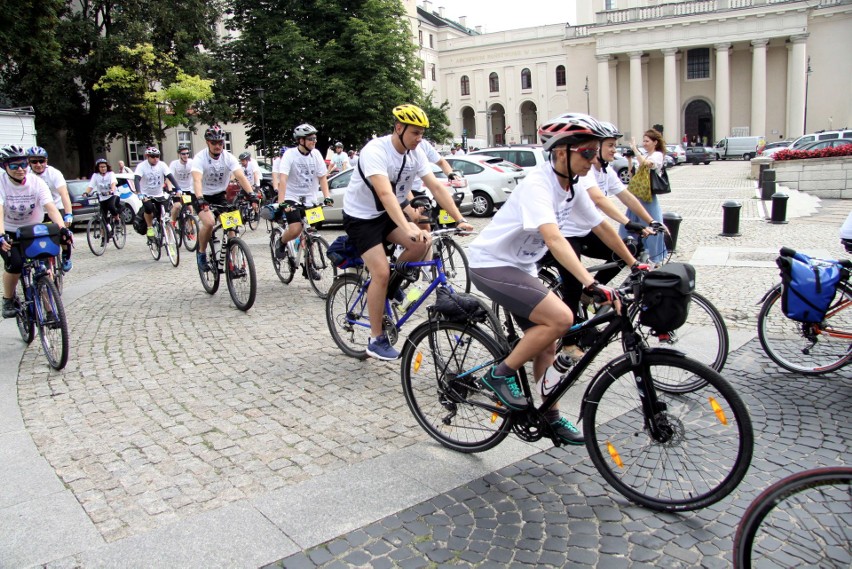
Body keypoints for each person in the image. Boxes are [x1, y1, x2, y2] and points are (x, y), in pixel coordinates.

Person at [467, 112, 620, 445]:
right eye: (588, 153)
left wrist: (634, 261)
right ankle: (498, 374)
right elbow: (553, 239)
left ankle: (549, 416)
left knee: (546, 339)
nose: (593, 161)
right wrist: (590, 284)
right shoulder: (539, 184)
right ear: (561, 152)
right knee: (562, 318)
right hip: (491, 263)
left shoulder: (572, 185)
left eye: (596, 153)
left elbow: (600, 226)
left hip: (521, 266)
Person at [343, 104, 473, 360]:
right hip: (361, 217)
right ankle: (375, 339)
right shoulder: (376, 150)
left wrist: (459, 219)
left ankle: (388, 290)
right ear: (399, 128)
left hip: (385, 214)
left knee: (419, 246)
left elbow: (435, 185)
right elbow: (384, 193)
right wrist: (407, 226)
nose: (419, 139)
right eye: (415, 133)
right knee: (380, 270)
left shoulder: (415, 154)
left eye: (422, 134)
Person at [554, 121, 656, 359]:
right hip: (567, 234)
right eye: (609, 145)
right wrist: (628, 223)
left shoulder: (606, 171)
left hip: (586, 230)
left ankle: (589, 293)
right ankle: (569, 343)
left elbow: (625, 196)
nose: (614, 150)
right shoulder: (585, 174)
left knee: (623, 251)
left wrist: (650, 221)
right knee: (571, 288)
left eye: (614, 146)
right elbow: (599, 200)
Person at [0, 145, 72, 318]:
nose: (21, 169)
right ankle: (8, 299)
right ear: (5, 167)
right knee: (15, 264)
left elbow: (51, 207)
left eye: (24, 164)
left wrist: (62, 228)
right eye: (15, 166)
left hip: (33, 228)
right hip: (8, 229)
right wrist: (1, 235)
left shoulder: (37, 182)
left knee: (43, 269)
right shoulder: (1, 182)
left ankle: (49, 311)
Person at [191, 125, 255, 270]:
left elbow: (240, 176)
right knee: (209, 223)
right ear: (208, 143)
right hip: (201, 195)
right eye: (214, 143)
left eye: (220, 143)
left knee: (231, 225)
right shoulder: (200, 158)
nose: (217, 146)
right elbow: (197, 180)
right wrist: (200, 199)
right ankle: (201, 253)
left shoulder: (228, 157)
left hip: (219, 195)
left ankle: (233, 262)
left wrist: (251, 194)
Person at [274, 124, 334, 270]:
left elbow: (322, 177)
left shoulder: (317, 154)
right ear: (301, 140)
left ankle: (309, 267)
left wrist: (327, 196)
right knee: (295, 229)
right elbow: (283, 179)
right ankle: (281, 242)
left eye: (315, 138)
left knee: (311, 233)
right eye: (310, 138)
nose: (314, 141)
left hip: (310, 198)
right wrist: (282, 203)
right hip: (292, 197)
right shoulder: (290, 154)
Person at [619, 128, 668, 263]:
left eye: (647, 141)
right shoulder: (645, 155)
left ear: (655, 142)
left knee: (653, 225)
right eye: (644, 141)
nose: (645, 143)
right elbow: (632, 175)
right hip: (636, 197)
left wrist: (635, 149)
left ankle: (656, 257)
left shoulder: (657, 155)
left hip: (647, 197)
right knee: (627, 225)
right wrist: (629, 160)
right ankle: (630, 252)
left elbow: (646, 164)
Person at [27, 146, 74, 271]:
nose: (38, 164)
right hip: (38, 211)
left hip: (57, 208)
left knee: (64, 235)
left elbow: (64, 194)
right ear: (29, 162)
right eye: (34, 161)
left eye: (41, 161)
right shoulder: (27, 175)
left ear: (46, 161)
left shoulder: (54, 173)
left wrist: (68, 214)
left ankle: (66, 256)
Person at [134, 147, 180, 239]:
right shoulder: (142, 166)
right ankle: (150, 227)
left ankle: (162, 230)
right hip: (146, 194)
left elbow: (170, 176)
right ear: (147, 156)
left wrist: (178, 189)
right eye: (153, 156)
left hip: (159, 194)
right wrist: (139, 193)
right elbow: (136, 179)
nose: (155, 159)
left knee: (163, 213)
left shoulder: (162, 165)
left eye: (157, 156)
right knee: (148, 208)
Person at [85, 158, 121, 236]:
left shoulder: (110, 173)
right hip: (102, 197)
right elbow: (91, 185)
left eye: (104, 166)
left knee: (111, 207)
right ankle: (104, 237)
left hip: (113, 195)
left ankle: (117, 219)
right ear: (98, 168)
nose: (103, 168)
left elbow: (113, 183)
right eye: (101, 167)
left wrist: (111, 190)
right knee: (103, 218)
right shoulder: (95, 175)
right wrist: (86, 193)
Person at [169, 144, 194, 225]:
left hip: (187, 189)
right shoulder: (174, 164)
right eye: (183, 154)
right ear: (179, 154)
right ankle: (173, 222)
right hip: (176, 188)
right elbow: (169, 177)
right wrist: (170, 189)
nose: (185, 155)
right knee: (177, 206)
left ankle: (191, 229)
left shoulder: (191, 162)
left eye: (187, 153)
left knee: (190, 208)